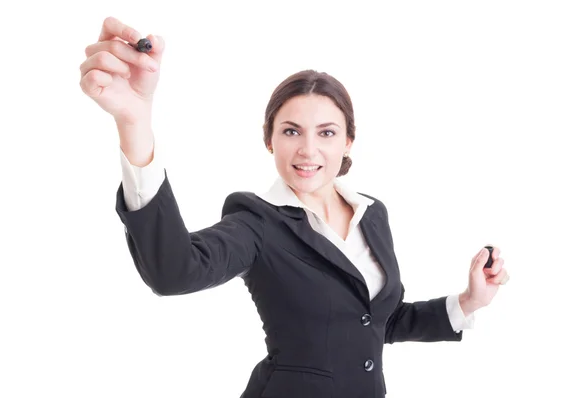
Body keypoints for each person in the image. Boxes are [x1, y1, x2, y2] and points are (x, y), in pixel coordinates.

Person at [79, 16, 510, 398]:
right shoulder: (256, 222)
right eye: (290, 131)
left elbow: (380, 320)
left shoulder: (371, 213)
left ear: (348, 142)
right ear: (269, 140)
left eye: (326, 133)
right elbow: (174, 272)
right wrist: (134, 122)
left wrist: (469, 301)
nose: (308, 150)